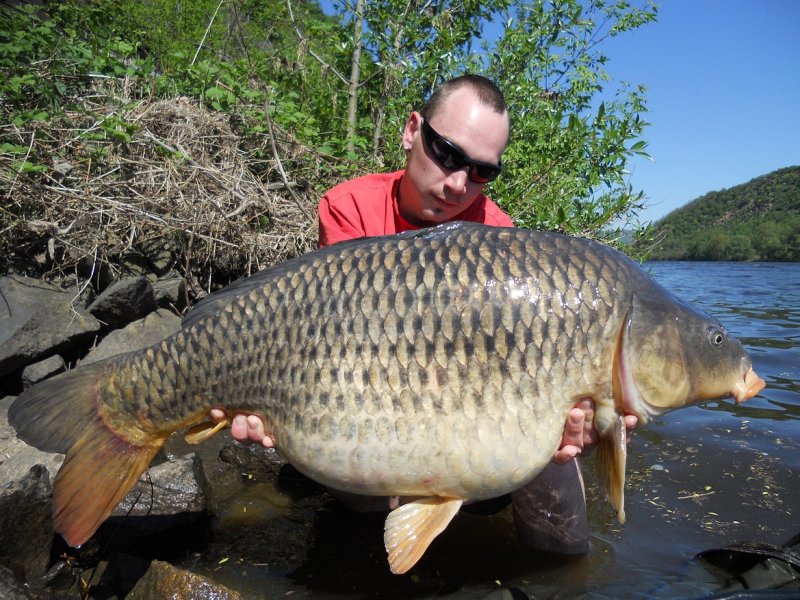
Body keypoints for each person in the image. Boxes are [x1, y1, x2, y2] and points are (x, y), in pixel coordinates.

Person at [210, 74, 637, 553]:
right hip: (375, 391)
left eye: (481, 172)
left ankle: (563, 578)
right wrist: (263, 399)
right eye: (448, 154)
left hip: (472, 410)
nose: (458, 183)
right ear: (412, 131)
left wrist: (571, 412)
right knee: (359, 495)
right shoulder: (349, 207)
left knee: (553, 455)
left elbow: (507, 372)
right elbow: (338, 343)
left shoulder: (499, 237)